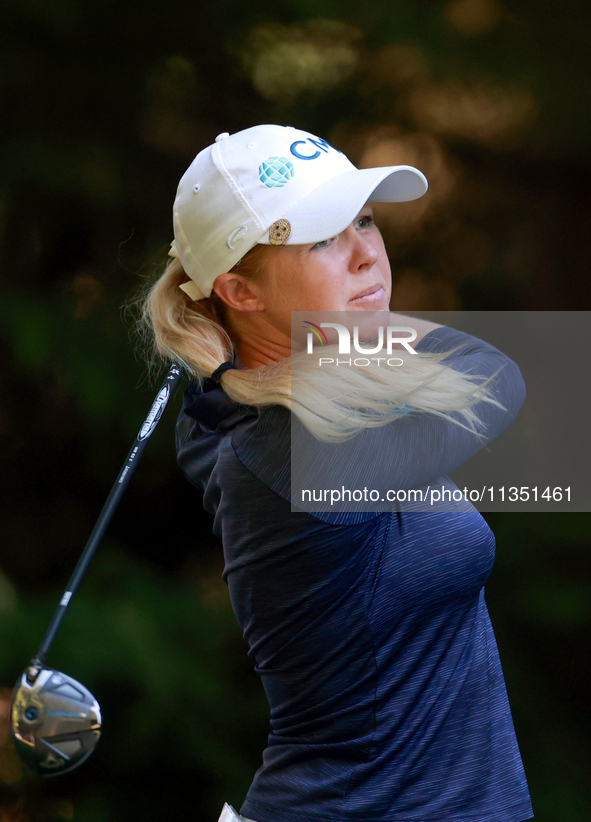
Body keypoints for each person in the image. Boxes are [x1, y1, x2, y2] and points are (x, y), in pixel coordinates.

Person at [142, 125, 534, 822]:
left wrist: (224, 345)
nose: (366, 255)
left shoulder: (247, 424)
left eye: (364, 221)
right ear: (239, 288)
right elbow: (493, 378)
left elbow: (209, 421)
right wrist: (350, 326)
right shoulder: (302, 445)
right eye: (323, 240)